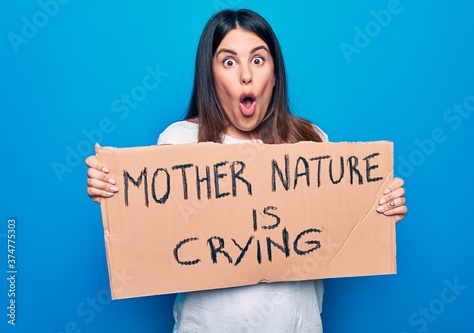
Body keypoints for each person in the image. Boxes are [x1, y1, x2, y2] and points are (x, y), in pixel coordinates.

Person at [85, 8, 407, 332]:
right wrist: (114, 193)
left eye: (257, 59)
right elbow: (155, 234)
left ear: (275, 73)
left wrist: (378, 205)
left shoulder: (312, 142)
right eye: (228, 62)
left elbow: (343, 225)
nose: (246, 76)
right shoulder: (178, 143)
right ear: (209, 76)